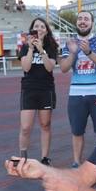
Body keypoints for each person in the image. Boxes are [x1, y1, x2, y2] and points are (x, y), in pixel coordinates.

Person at [60, 11, 96, 167]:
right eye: (80, 19)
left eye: (86, 19)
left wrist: (88, 51)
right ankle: (76, 162)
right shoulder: (70, 43)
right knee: (77, 131)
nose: (83, 21)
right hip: (76, 94)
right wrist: (73, 53)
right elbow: (63, 68)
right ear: (77, 22)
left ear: (92, 23)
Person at [17, 17, 58, 164]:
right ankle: (23, 158)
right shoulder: (25, 46)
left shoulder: (52, 46)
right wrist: (31, 48)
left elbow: (49, 67)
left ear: (46, 30)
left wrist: (41, 49)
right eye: (36, 26)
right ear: (32, 30)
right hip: (29, 89)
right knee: (26, 127)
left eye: (42, 27)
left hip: (46, 89)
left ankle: (45, 158)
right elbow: (26, 67)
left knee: (45, 125)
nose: (39, 29)